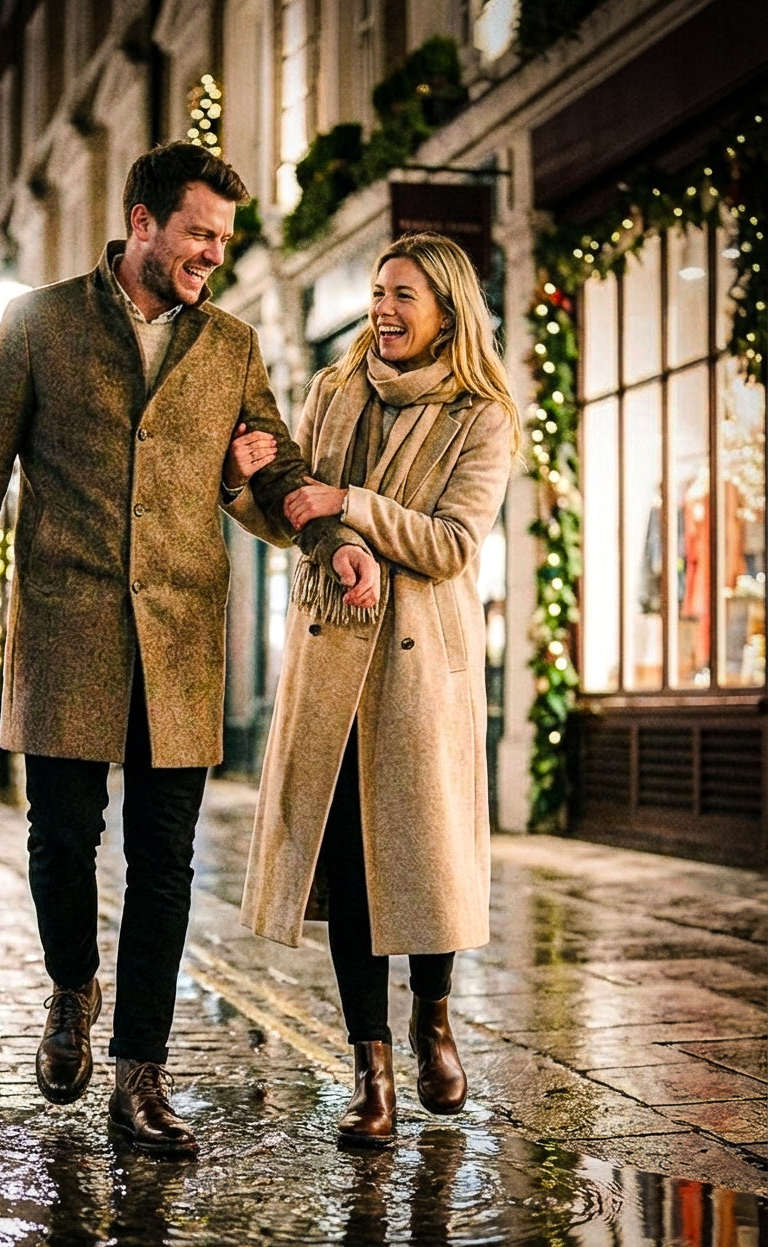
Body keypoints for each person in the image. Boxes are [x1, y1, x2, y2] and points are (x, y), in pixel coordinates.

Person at [0, 142, 376, 1158]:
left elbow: (274, 471)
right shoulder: (37, 323)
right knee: (60, 841)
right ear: (141, 221)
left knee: (165, 861)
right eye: (196, 234)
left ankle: (140, 1076)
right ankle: (69, 983)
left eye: (222, 240)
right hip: (65, 625)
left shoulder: (227, 345)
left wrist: (331, 536)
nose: (211, 256)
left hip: (180, 639)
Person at [233, 232, 520, 1145]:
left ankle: (432, 1017)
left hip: (418, 667)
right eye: (378, 291)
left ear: (446, 312)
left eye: (404, 295)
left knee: (424, 862)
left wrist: (349, 501)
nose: (383, 310)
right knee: (349, 873)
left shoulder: (483, 414)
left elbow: (451, 545)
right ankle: (372, 1071)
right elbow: (297, 519)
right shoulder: (333, 388)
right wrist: (255, 492)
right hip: (330, 661)